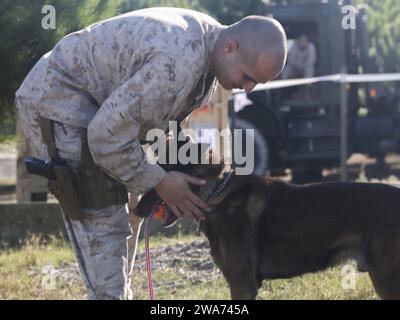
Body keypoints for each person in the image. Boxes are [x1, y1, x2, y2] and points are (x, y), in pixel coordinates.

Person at [15, 7, 287, 299]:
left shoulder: (212, 47)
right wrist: (159, 181)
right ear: (231, 48)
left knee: (131, 210)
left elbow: (154, 121)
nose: (247, 90)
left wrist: (173, 173)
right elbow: (105, 135)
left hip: (98, 114)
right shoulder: (179, 61)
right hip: (58, 104)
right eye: (248, 77)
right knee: (105, 219)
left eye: (256, 83)